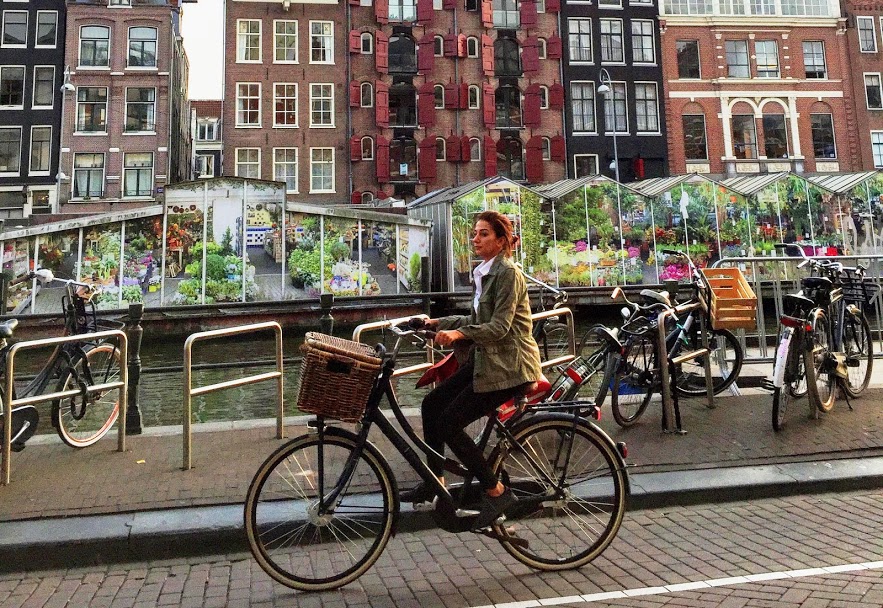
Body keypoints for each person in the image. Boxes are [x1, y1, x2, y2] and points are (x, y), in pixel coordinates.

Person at [402, 210, 543, 529]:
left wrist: (458, 334)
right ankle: (435, 483)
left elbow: (500, 327)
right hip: (488, 360)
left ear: (501, 241)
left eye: (483, 234)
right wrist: (435, 323)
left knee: (449, 424)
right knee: (431, 404)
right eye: (475, 233)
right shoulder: (486, 272)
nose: (475, 239)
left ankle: (496, 492)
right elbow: (474, 320)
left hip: (509, 366)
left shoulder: (508, 274)